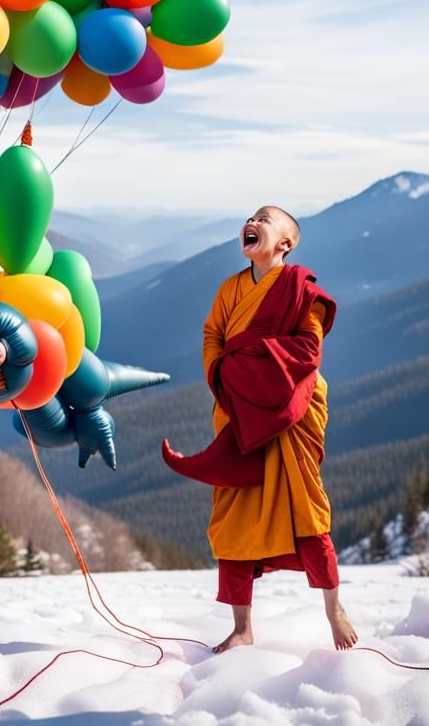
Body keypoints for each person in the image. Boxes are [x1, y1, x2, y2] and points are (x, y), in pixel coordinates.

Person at [162, 206, 358, 653]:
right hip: (236, 407)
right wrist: (224, 374)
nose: (252, 221)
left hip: (292, 407)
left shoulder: (300, 289)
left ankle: (334, 609)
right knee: (233, 515)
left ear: (285, 244)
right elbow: (213, 336)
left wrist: (246, 360)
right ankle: (242, 627)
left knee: (306, 507)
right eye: (251, 217)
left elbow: (308, 350)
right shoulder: (230, 289)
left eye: (264, 219)